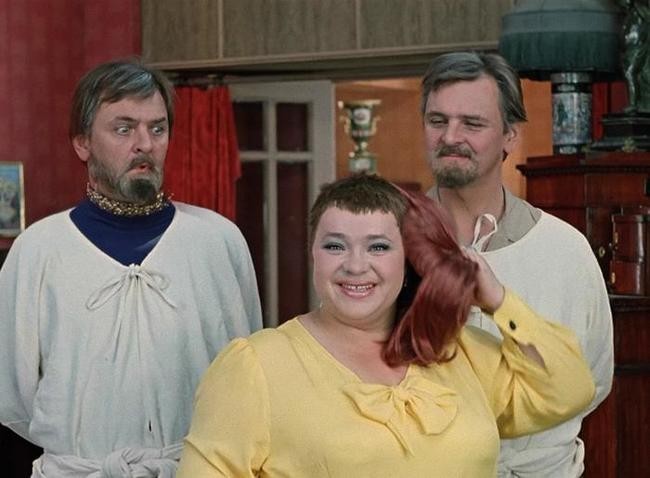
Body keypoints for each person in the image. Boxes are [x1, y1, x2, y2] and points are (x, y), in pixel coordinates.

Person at [176, 173, 595, 477]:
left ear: (409, 259)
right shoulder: (256, 366)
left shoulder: (457, 348)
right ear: (313, 254)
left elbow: (567, 390)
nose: (356, 266)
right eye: (335, 246)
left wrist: (497, 299)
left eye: (378, 247)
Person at [0, 58, 263, 477]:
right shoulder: (38, 251)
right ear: (82, 143)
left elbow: (247, 373)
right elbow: (12, 396)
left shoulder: (219, 242)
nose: (145, 143)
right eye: (124, 129)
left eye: (157, 128)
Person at [420, 51, 614, 476]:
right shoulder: (383, 247)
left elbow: (592, 380)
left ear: (510, 135)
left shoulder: (565, 250)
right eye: (437, 121)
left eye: (472, 123)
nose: (451, 136)